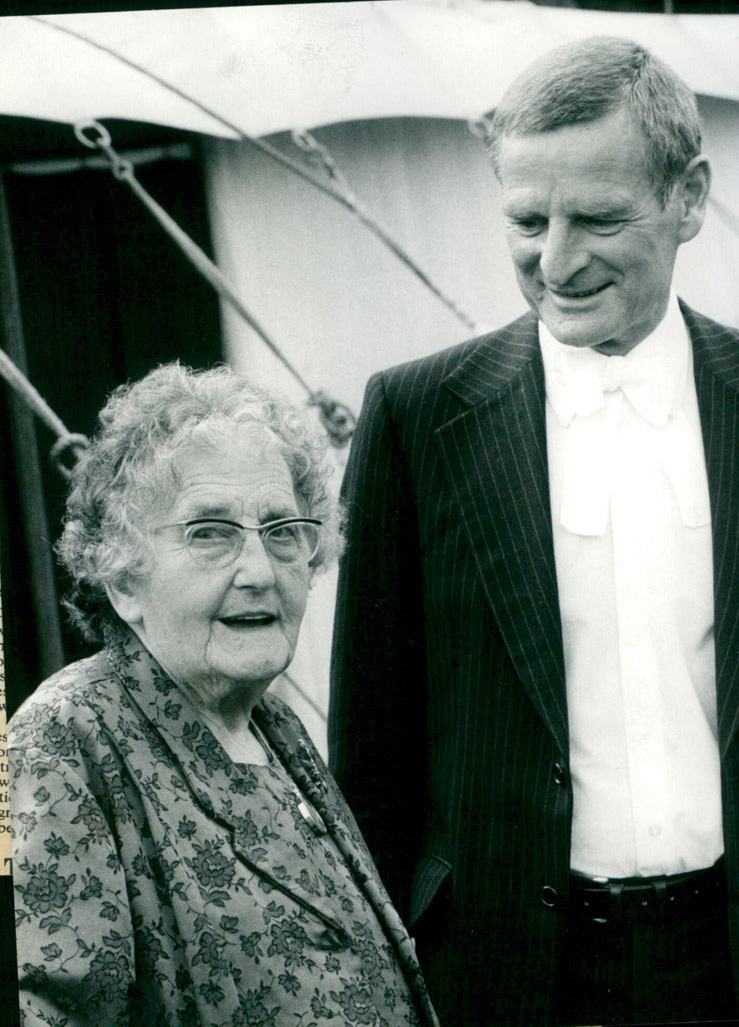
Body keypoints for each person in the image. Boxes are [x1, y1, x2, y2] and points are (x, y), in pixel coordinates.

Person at [328, 34, 739, 1027]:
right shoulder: (417, 419)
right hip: (506, 974)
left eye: (595, 217)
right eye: (525, 219)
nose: (554, 260)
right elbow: (370, 743)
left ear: (689, 197)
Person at [9, 362, 439, 1027]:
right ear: (122, 576)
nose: (260, 571)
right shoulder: (64, 738)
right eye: (210, 532)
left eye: (282, 531)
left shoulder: (273, 726)